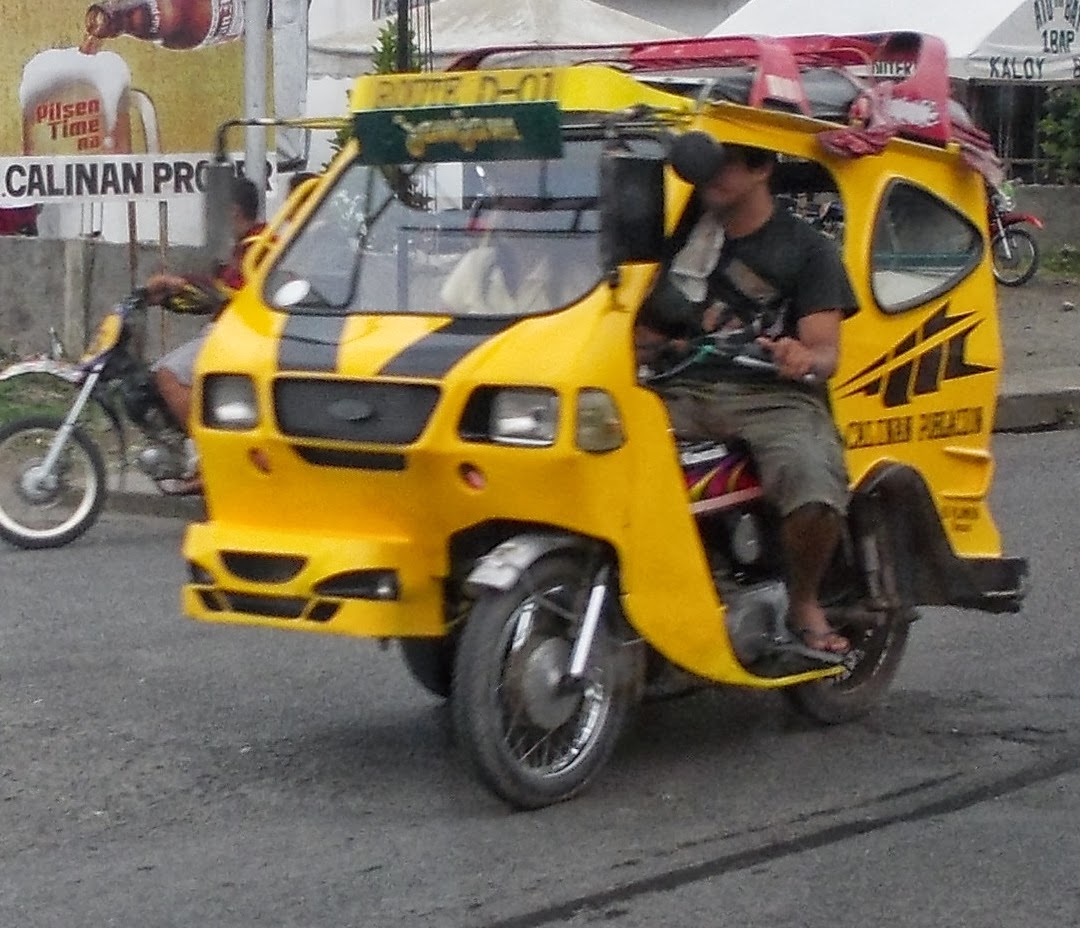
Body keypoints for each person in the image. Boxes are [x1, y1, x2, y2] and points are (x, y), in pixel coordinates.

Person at [636, 138, 858, 656]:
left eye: (724, 162)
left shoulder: (807, 249)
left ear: (762, 167)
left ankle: (803, 601)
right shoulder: (677, 241)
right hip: (678, 388)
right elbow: (639, 326)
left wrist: (802, 358)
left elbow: (827, 354)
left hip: (770, 396)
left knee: (812, 481)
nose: (709, 172)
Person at [143, 175, 267, 492]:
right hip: (232, 330)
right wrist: (170, 294)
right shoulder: (245, 247)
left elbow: (228, 290)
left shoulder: (258, 247)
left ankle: (206, 462)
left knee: (169, 375)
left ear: (233, 210)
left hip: (238, 334)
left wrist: (176, 282)